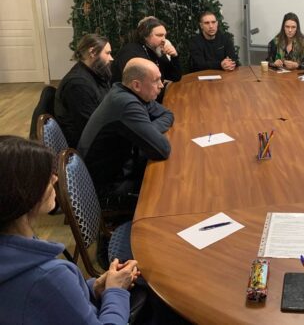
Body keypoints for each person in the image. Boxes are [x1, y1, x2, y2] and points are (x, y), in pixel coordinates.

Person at [0, 135, 139, 324]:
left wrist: (94, 287)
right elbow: (52, 292)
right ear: (23, 194)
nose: (55, 178)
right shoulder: (48, 277)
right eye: (44, 177)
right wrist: (116, 291)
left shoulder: (15, 247)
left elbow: (54, 304)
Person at [78, 58, 174, 212]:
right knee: (169, 196)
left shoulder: (131, 92)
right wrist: (149, 132)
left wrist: (148, 129)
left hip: (120, 171)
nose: (161, 85)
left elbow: (167, 114)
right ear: (137, 85)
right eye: (156, 80)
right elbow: (163, 149)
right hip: (106, 191)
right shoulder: (126, 104)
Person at [54, 34, 113, 147]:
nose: (111, 58)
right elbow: (91, 127)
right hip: (88, 147)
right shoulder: (78, 85)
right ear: (92, 52)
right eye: (107, 53)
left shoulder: (94, 73)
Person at [112, 16, 182, 85]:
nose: (164, 40)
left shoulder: (157, 50)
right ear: (145, 36)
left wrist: (174, 57)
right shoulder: (130, 52)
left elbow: (175, 77)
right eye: (159, 35)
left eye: (165, 36)